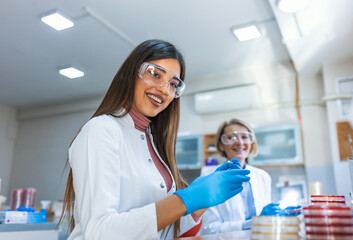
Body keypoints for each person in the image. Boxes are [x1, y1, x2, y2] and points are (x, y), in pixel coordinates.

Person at [59, 39, 251, 240]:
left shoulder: (152, 143)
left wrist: (200, 202)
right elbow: (99, 232)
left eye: (173, 84)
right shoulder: (101, 130)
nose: (163, 89)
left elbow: (159, 230)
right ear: (131, 73)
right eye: (155, 74)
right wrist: (186, 199)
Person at [200, 118, 280, 234]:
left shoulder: (263, 176)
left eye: (244, 137)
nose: (240, 142)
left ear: (251, 142)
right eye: (231, 137)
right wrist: (253, 223)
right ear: (221, 145)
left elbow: (266, 220)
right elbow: (210, 228)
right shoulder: (209, 178)